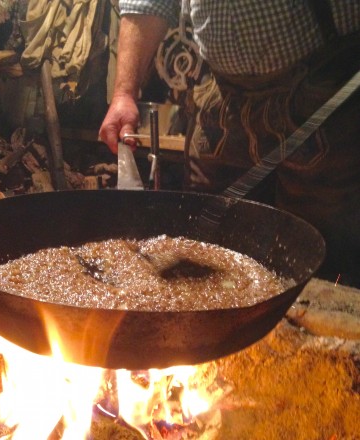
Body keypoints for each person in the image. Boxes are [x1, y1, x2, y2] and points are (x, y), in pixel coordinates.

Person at [99, 0, 360, 287]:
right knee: (209, 252)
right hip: (222, 96)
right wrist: (124, 93)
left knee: (322, 259)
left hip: (325, 84)